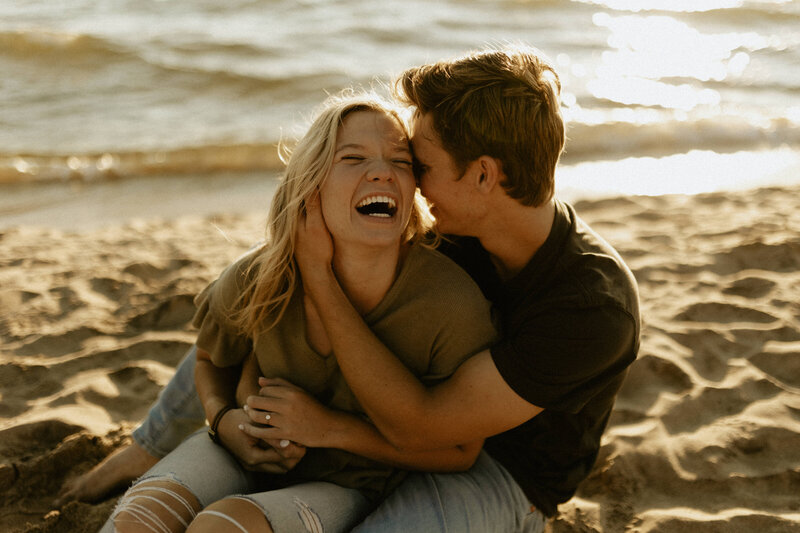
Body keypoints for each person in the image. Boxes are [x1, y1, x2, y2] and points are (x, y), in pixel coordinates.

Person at [67, 43, 639, 532]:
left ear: (483, 175)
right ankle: (146, 446)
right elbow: (245, 319)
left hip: (504, 469)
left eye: (418, 162)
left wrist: (320, 282)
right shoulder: (460, 230)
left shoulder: (591, 308)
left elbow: (423, 425)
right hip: (403, 419)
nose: (407, 181)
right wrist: (223, 413)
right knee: (260, 291)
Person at [98, 92, 498, 533]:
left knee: (221, 528)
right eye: (353, 158)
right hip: (233, 453)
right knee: (137, 520)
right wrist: (225, 421)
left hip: (345, 484)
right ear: (312, 185)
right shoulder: (258, 275)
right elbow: (212, 360)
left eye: (401, 162)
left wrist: (327, 427)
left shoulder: (449, 302)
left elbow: (460, 449)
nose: (382, 171)